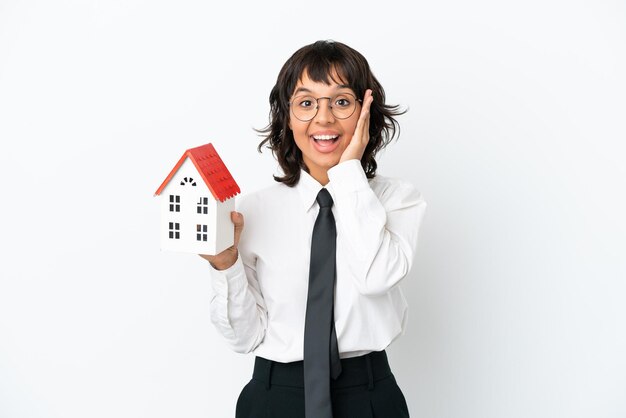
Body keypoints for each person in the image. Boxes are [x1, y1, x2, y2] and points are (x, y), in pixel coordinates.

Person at [201, 40, 427, 418]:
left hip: (368, 397)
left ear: (365, 113)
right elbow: (244, 338)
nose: (324, 119)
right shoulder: (252, 210)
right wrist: (225, 265)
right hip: (275, 397)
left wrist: (348, 176)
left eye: (341, 102)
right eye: (306, 103)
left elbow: (375, 278)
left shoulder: (397, 200)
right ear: (287, 116)